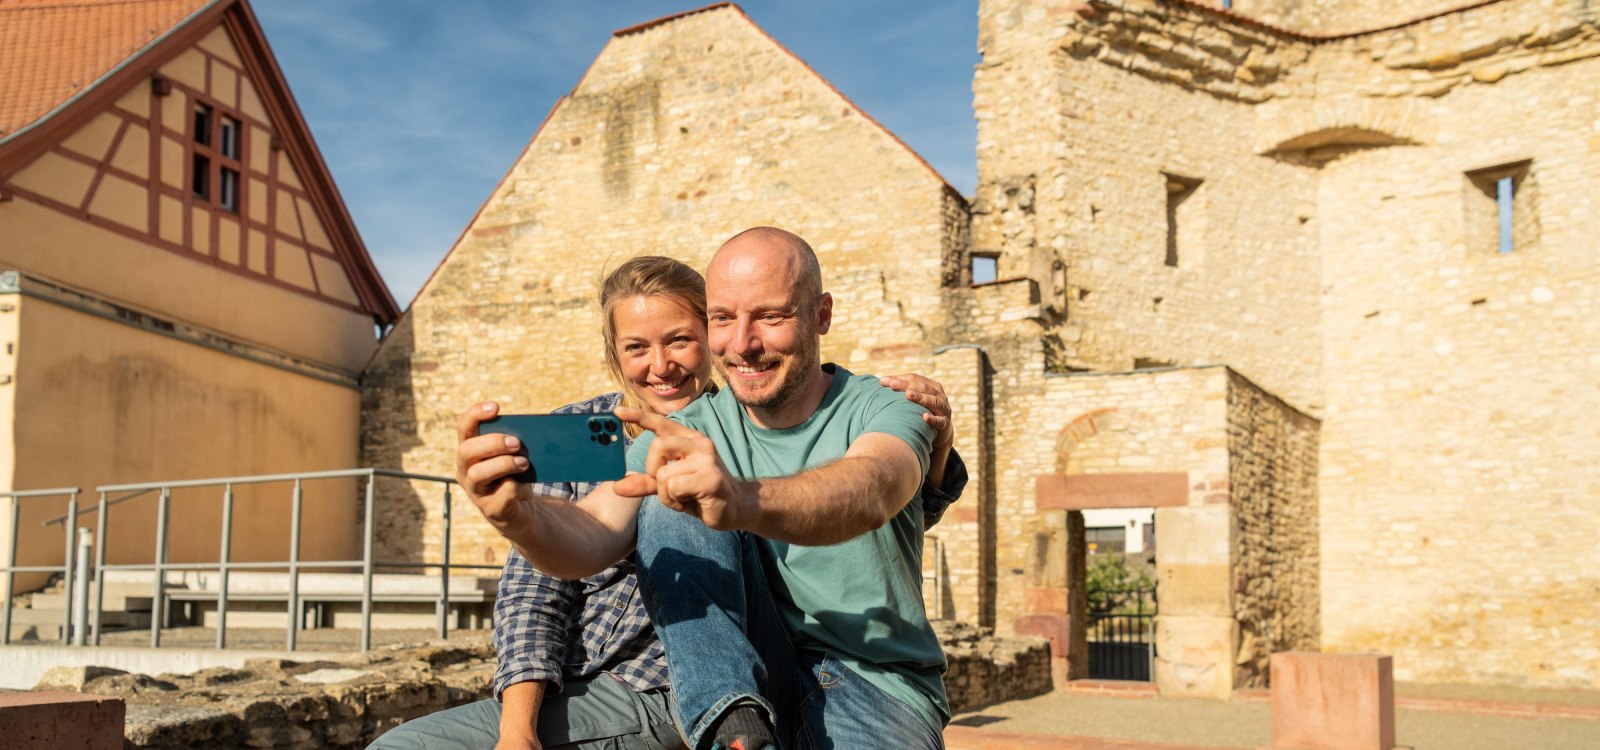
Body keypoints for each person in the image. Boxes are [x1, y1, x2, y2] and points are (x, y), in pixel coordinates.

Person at [376, 255, 964, 750]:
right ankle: (730, 721)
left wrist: (931, 463)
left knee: (675, 486)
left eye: (680, 339)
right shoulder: (620, 431)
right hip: (607, 680)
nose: (660, 365)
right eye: (637, 346)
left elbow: (869, 497)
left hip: (695, 681)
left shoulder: (764, 416)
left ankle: (727, 714)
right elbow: (552, 573)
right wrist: (515, 516)